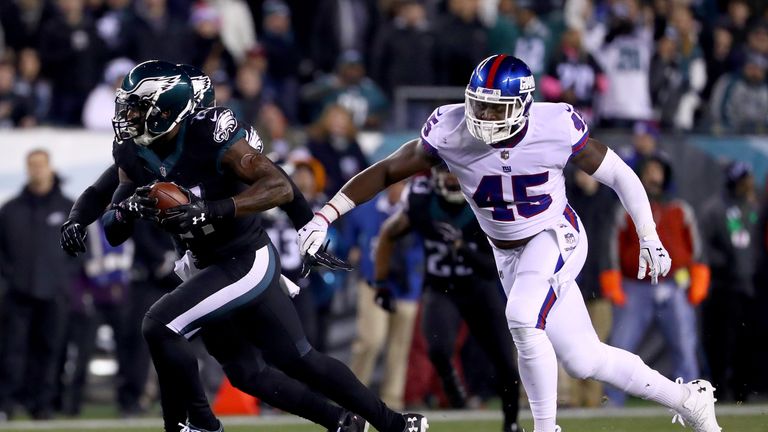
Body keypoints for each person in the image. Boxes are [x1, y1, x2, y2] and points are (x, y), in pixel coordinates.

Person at [298, 54, 721, 432]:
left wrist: (648, 233)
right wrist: (325, 214)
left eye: (493, 107)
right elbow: (389, 170)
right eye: (477, 103)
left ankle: (545, 428)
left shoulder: (554, 125)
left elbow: (619, 174)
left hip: (556, 234)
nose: (481, 115)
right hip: (507, 253)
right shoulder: (450, 130)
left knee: (521, 315)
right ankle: (688, 400)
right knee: (584, 359)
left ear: (523, 106)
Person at [97, 60, 429, 432]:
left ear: (170, 109)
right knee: (255, 371)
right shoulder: (133, 151)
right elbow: (111, 227)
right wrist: (125, 211)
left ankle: (198, 426)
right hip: (201, 264)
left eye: (139, 106)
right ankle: (351, 423)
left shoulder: (211, 133)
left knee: (161, 325)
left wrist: (295, 223)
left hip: (242, 256)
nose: (129, 115)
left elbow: (280, 185)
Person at [374, 166, 520, 431]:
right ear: (434, 176)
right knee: (437, 349)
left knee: (505, 362)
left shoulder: (484, 204)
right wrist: (381, 284)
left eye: (456, 173)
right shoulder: (421, 202)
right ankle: (451, 385)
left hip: (479, 287)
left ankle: (511, 423)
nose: (452, 178)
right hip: (440, 288)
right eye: (446, 172)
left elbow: (490, 267)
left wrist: (462, 247)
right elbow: (387, 235)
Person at [601, 155, 708, 406]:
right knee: (620, 346)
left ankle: (693, 403)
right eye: (648, 171)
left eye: (657, 171)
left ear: (666, 175)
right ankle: (612, 403)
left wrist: (699, 278)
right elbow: (612, 247)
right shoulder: (625, 208)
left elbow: (697, 250)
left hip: (674, 284)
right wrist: (613, 281)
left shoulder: (680, 208)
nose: (653, 176)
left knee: (685, 346)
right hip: (635, 285)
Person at [0, 149, 77, 420]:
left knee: (50, 351)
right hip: (17, 293)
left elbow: (79, 252)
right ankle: (6, 405)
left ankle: (42, 405)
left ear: (50, 168)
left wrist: (63, 280)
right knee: (12, 351)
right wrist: (9, 278)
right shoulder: (11, 209)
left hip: (55, 294)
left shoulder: (68, 207)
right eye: (31, 165)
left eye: (40, 165)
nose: (36, 170)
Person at [343, 180, 422, 411]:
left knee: (400, 346)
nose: (399, 187)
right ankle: (354, 396)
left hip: (407, 285)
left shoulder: (416, 208)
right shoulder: (367, 210)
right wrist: (352, 251)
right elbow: (348, 242)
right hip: (374, 282)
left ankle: (393, 400)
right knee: (370, 340)